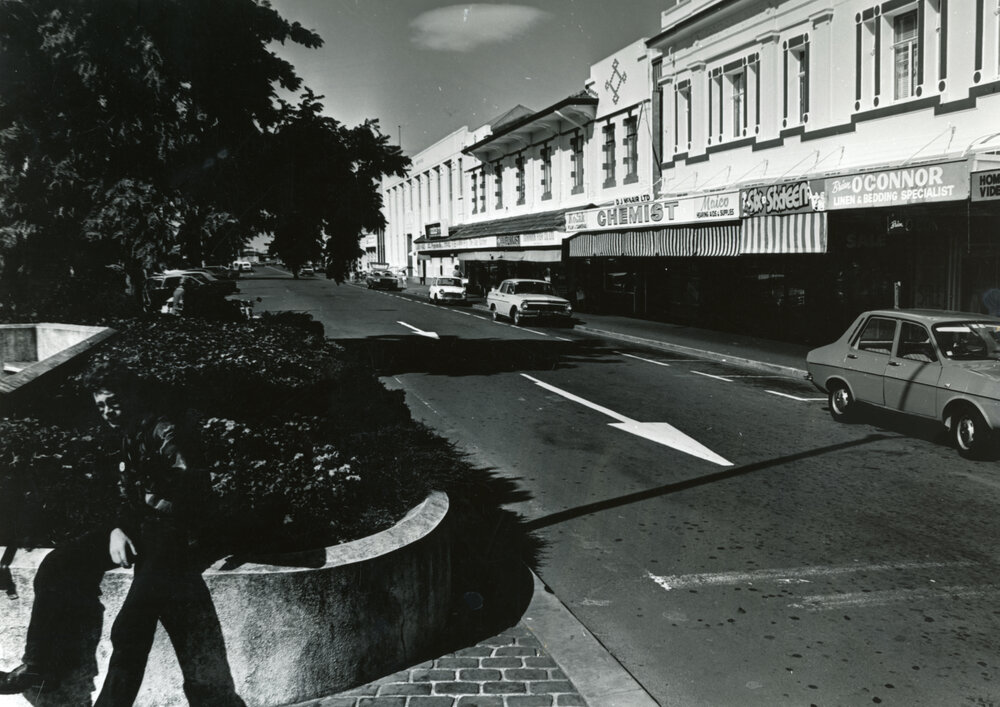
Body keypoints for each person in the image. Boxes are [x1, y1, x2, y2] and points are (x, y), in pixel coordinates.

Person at [0, 369, 240, 706]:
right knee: (58, 563)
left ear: (133, 397)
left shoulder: (163, 430)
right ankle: (38, 666)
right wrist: (117, 528)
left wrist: (143, 517)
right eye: (101, 406)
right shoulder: (129, 435)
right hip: (139, 529)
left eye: (114, 403)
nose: (108, 412)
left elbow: (192, 488)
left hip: (173, 537)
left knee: (130, 628)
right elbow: (125, 497)